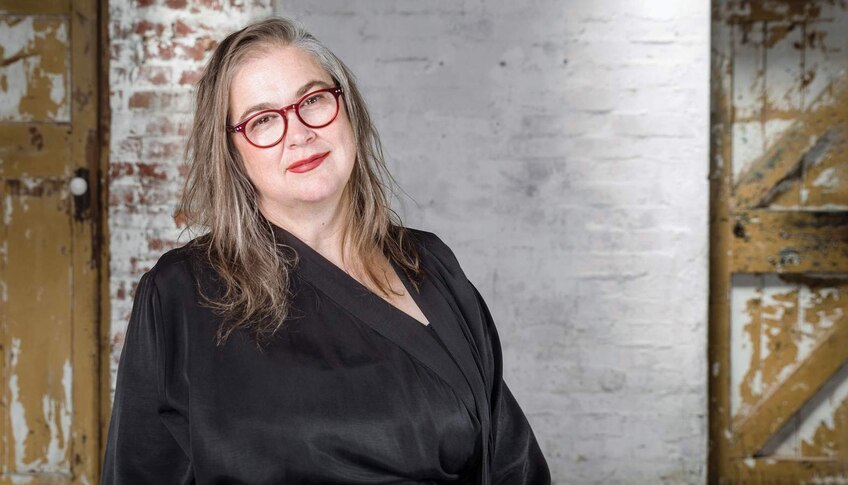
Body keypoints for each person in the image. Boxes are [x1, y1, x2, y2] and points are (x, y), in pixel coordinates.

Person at [101, 16, 551, 485]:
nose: (299, 133)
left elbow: (513, 464)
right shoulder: (180, 293)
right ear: (232, 153)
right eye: (263, 120)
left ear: (347, 108)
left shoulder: (430, 264)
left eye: (313, 100)